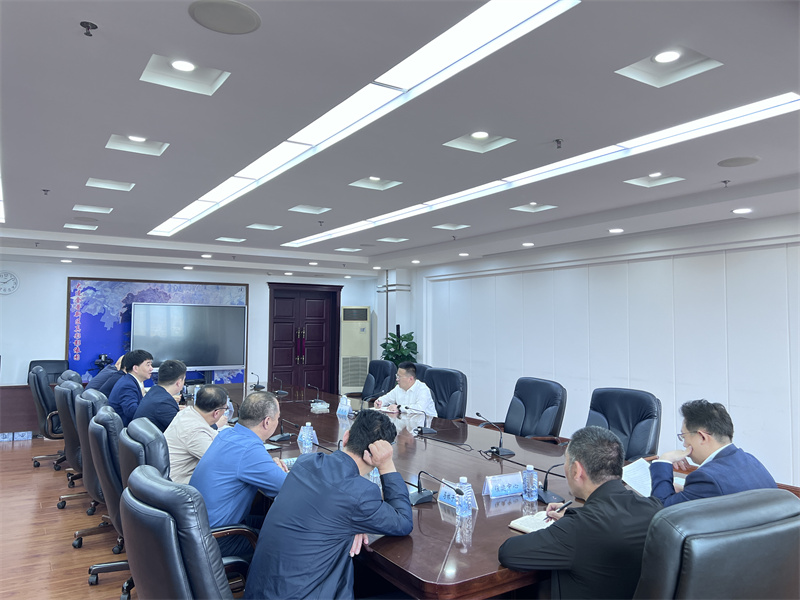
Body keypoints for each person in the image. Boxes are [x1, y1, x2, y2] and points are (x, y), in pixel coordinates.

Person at [243, 409, 413, 600]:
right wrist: (387, 465)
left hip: (259, 592)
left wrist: (355, 523)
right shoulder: (360, 493)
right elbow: (403, 521)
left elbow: (327, 509)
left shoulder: (306, 462)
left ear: (346, 437)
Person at [498, 426, 662, 600]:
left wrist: (567, 525)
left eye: (566, 461)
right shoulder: (655, 509)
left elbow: (509, 553)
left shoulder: (578, 528)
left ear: (576, 470)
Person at [190, 391, 288, 559]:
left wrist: (268, 466)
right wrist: (278, 471)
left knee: (271, 522)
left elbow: (244, 463)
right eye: (277, 418)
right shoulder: (249, 450)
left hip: (197, 529)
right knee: (285, 542)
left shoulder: (228, 434)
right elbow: (287, 487)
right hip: (217, 538)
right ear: (267, 422)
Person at [650, 399, 776, 507]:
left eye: (684, 436)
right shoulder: (750, 460)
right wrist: (687, 492)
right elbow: (725, 492)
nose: (684, 444)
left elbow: (661, 510)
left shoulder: (706, 477)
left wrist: (664, 460)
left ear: (702, 437)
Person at [164, 384, 229, 484]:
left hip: (169, 476)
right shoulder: (195, 432)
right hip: (178, 486)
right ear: (216, 413)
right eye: (225, 409)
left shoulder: (187, 413)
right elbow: (222, 462)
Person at [132, 359, 186, 432]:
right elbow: (183, 431)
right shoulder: (164, 403)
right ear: (178, 382)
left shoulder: (154, 391)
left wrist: (173, 409)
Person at [108, 349, 153, 426]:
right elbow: (132, 411)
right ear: (135, 368)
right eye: (148, 365)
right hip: (128, 428)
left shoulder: (128, 380)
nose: (151, 368)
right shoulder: (128, 385)